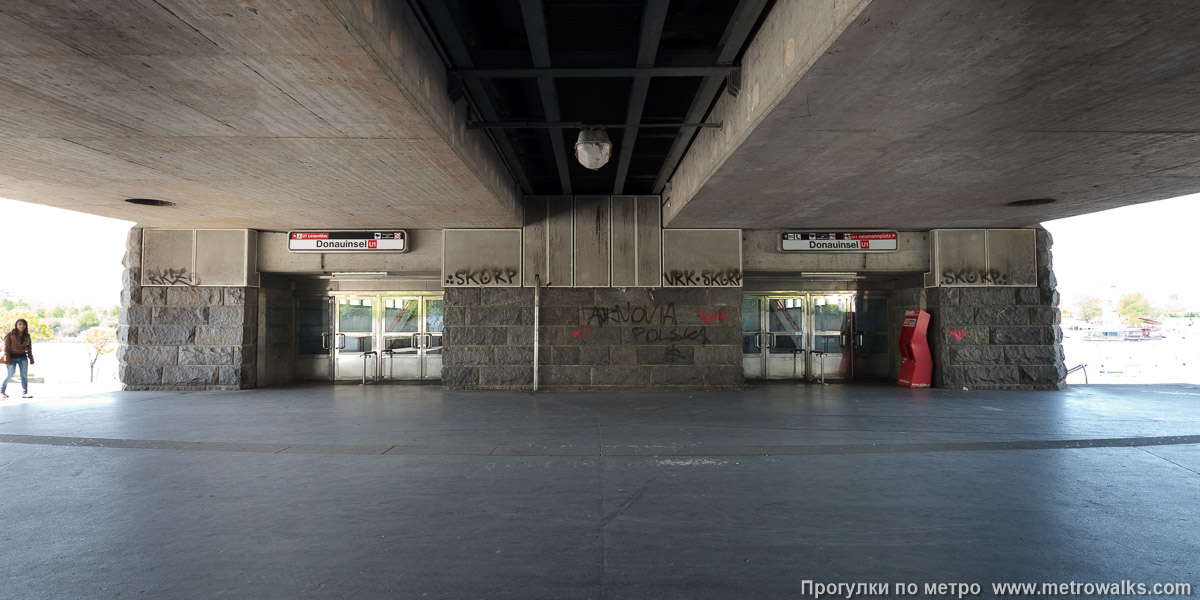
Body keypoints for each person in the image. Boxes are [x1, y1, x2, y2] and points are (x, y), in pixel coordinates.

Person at [1, 318, 35, 399]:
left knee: (24, 375)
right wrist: (7, 359)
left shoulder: (27, 335)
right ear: (16, 325)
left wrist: (31, 358)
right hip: (11, 358)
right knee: (10, 375)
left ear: (25, 326)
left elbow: (29, 348)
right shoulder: (10, 335)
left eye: (23, 324)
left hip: (23, 357)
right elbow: (6, 348)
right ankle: (2, 391)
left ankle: (25, 393)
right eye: (20, 324)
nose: (22, 326)